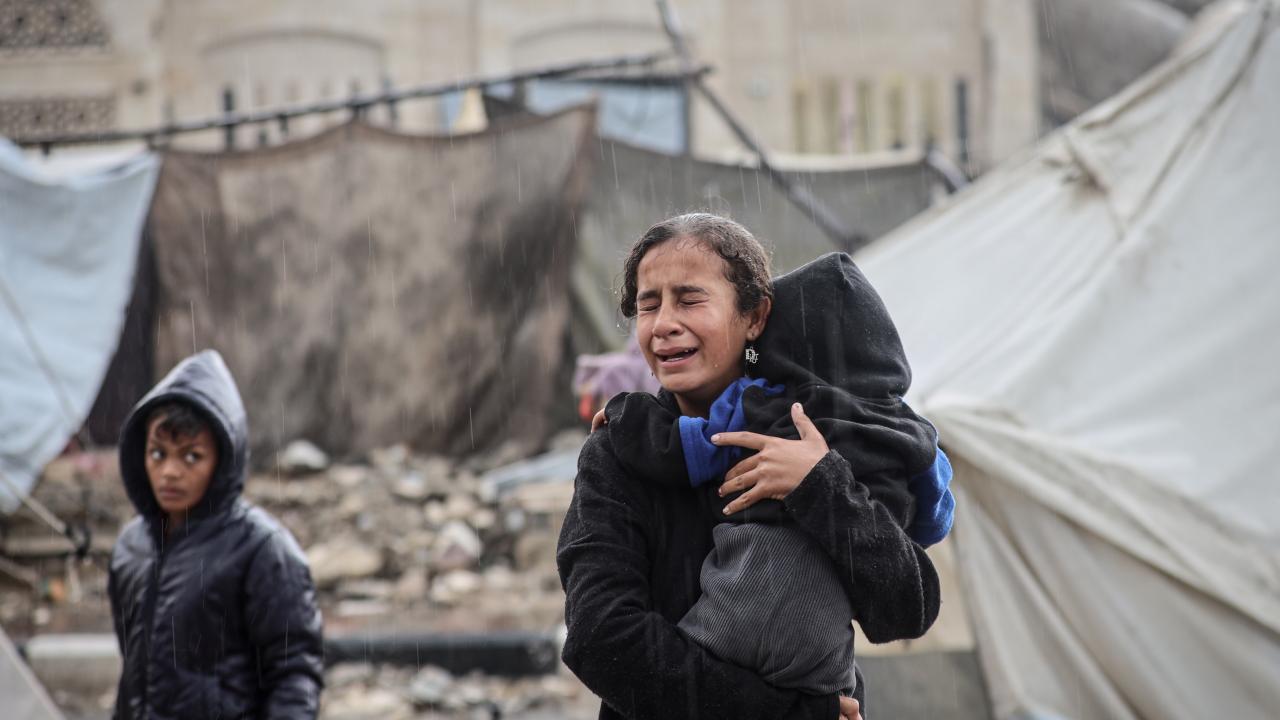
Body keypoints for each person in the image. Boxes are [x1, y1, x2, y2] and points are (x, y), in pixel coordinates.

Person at [558, 214, 941, 720]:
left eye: (690, 299)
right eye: (649, 305)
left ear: (755, 317)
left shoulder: (815, 434)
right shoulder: (619, 452)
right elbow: (602, 637)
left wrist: (821, 485)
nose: (664, 323)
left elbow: (905, 610)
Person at [108, 349, 324, 719]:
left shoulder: (262, 550)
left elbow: (293, 677)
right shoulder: (132, 547)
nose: (170, 472)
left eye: (191, 456)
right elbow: (134, 677)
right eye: (157, 454)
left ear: (223, 459)